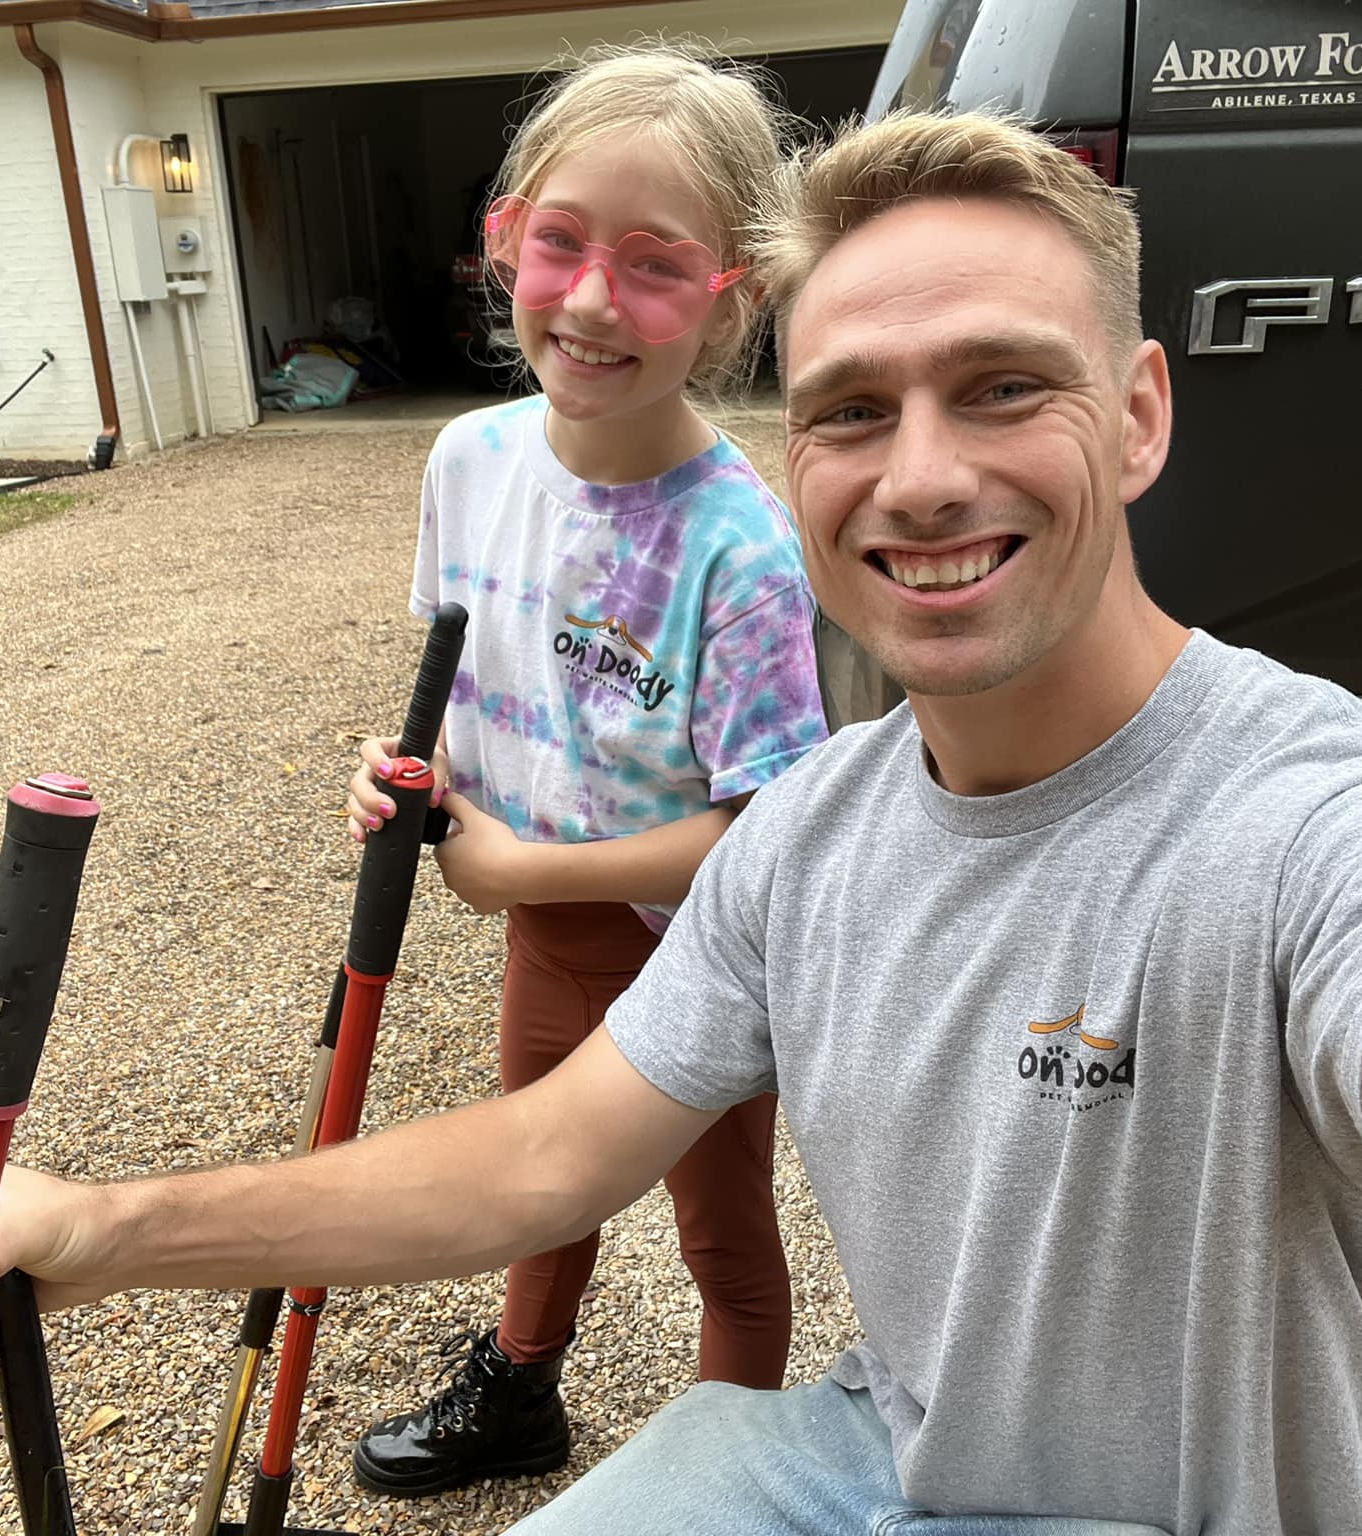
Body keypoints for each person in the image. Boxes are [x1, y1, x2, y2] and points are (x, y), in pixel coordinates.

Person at [0, 110, 1362, 1534]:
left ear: (1138, 413)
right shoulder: (812, 832)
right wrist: (107, 1230)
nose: (918, 474)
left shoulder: (1326, 826)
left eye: (1002, 386)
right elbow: (542, 1159)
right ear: (799, 450)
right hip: (864, 1461)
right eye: (852, 410)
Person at [332, 42, 830, 1496]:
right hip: (545, 922)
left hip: (702, 947)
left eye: (657, 264)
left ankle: (724, 1474)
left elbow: (771, 828)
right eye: (561, 244)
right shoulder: (469, 463)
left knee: (721, 1230)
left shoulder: (740, 548)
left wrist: (526, 869)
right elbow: (459, 692)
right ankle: (523, 1397)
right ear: (505, 245)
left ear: (731, 293)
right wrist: (402, 775)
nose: (596, 300)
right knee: (541, 1176)